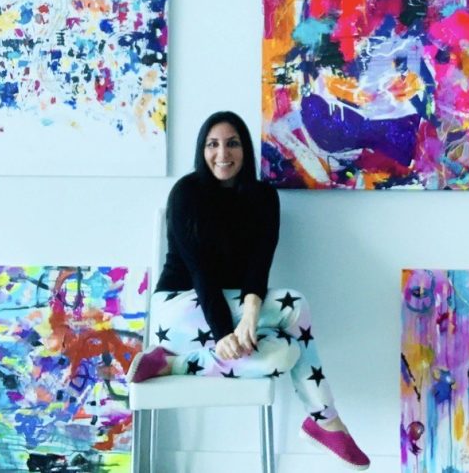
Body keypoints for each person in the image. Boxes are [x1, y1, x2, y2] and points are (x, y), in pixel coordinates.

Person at [127, 111, 370, 470]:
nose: (222, 153)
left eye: (232, 143)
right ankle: (325, 420)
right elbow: (201, 272)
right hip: (179, 309)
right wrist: (223, 333)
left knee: (285, 353)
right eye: (212, 144)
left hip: (233, 308)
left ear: (245, 150)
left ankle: (171, 363)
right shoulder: (186, 193)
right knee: (295, 304)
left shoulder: (263, 198)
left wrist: (250, 317)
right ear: (202, 150)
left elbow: (260, 265)